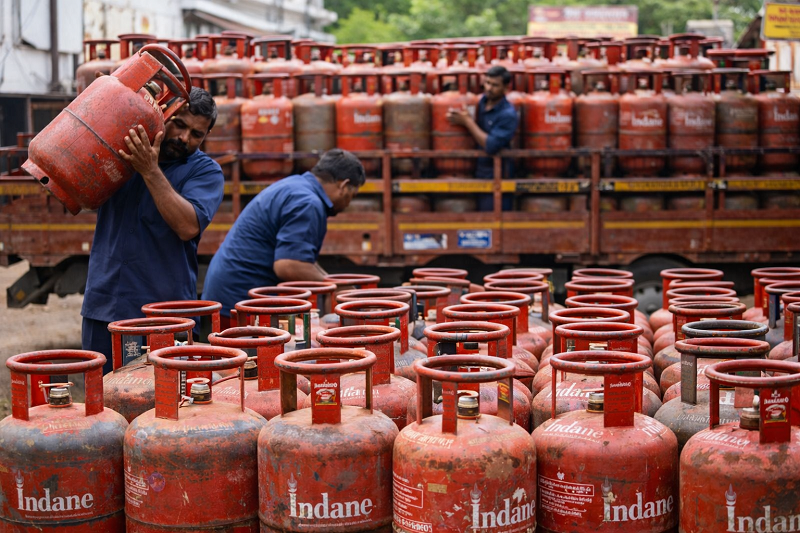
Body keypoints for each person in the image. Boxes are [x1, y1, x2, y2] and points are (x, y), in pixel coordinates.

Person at [81, 87, 224, 373]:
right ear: (164, 114)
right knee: (102, 395)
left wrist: (149, 170)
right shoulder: (123, 151)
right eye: (179, 124)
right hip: (105, 304)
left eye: (196, 134)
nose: (184, 138)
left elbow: (187, 226)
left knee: (164, 399)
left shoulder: (205, 172)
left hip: (166, 315)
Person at [201, 149, 365, 329]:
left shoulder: (296, 187)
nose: (348, 204)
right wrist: (336, 288)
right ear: (344, 186)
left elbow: (303, 260)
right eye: (352, 196)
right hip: (237, 306)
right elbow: (288, 265)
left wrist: (332, 283)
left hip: (228, 295)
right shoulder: (307, 202)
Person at [446, 64, 519, 210]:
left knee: (492, 215)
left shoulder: (508, 114)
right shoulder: (479, 103)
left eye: (495, 85)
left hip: (497, 175)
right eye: (487, 83)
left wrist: (468, 122)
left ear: (506, 88)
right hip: (475, 171)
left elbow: (491, 145)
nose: (489, 88)